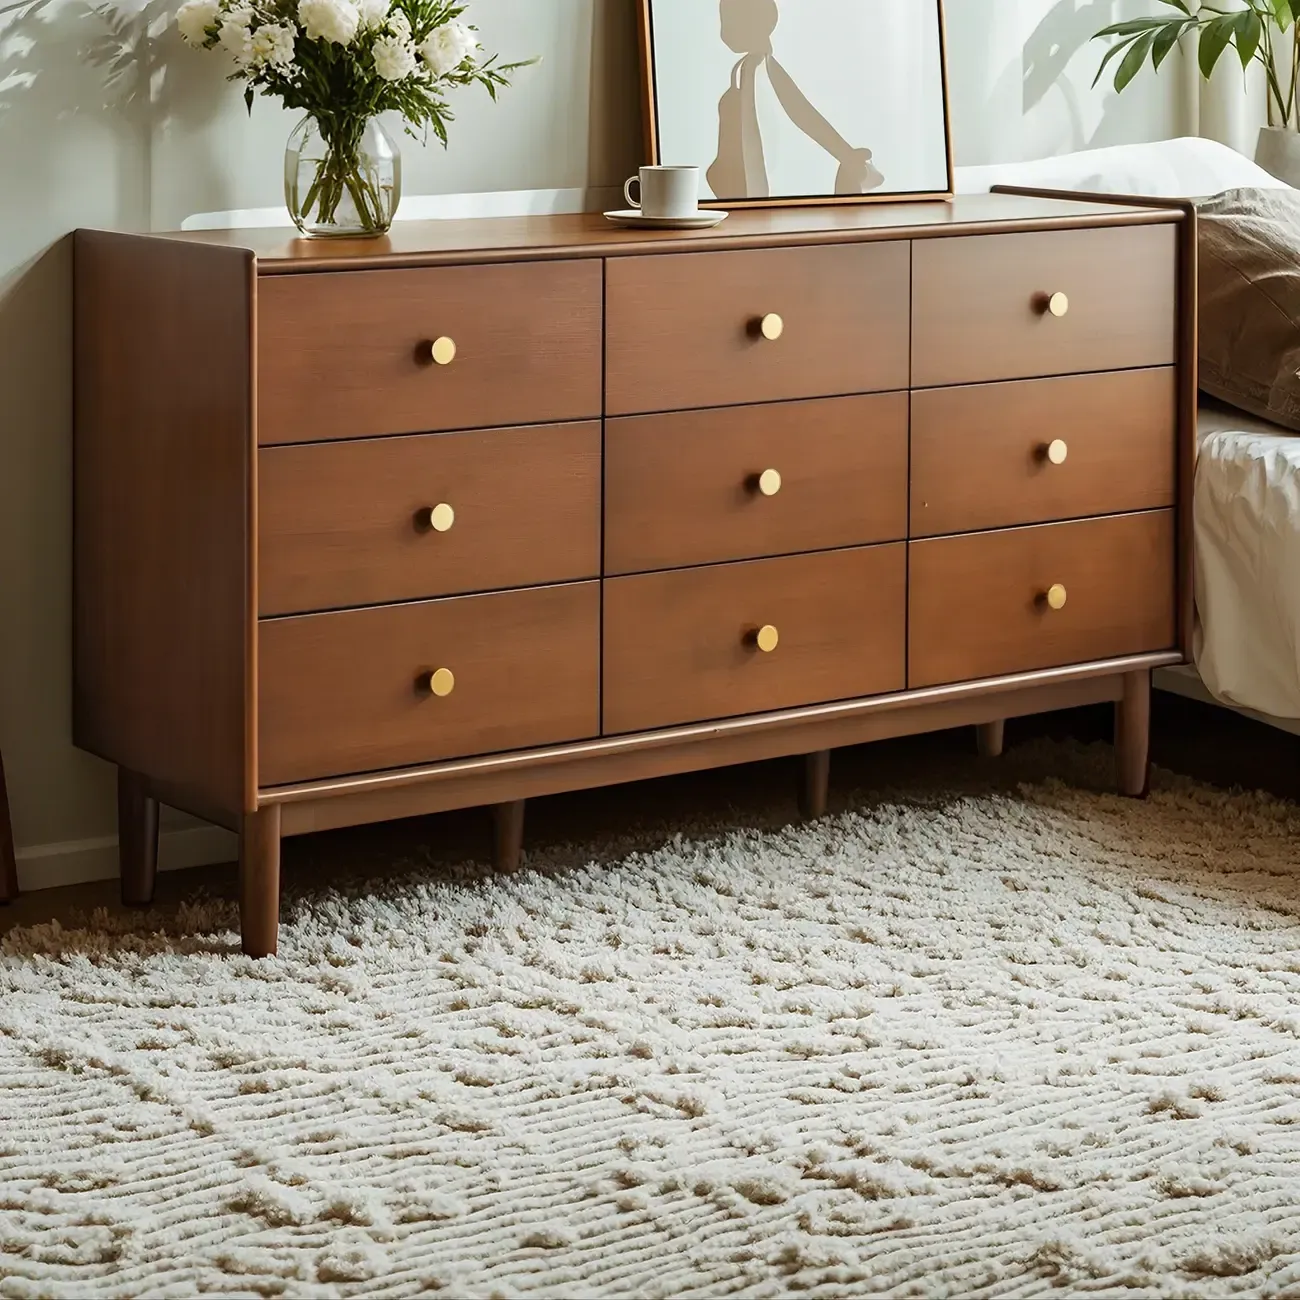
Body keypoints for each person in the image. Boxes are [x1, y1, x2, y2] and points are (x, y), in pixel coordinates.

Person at [708, 0, 885, 200]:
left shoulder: (760, 70)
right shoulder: (750, 72)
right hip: (753, 195)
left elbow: (801, 113)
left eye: (731, 20)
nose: (725, 30)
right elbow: (800, 113)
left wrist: (846, 156)